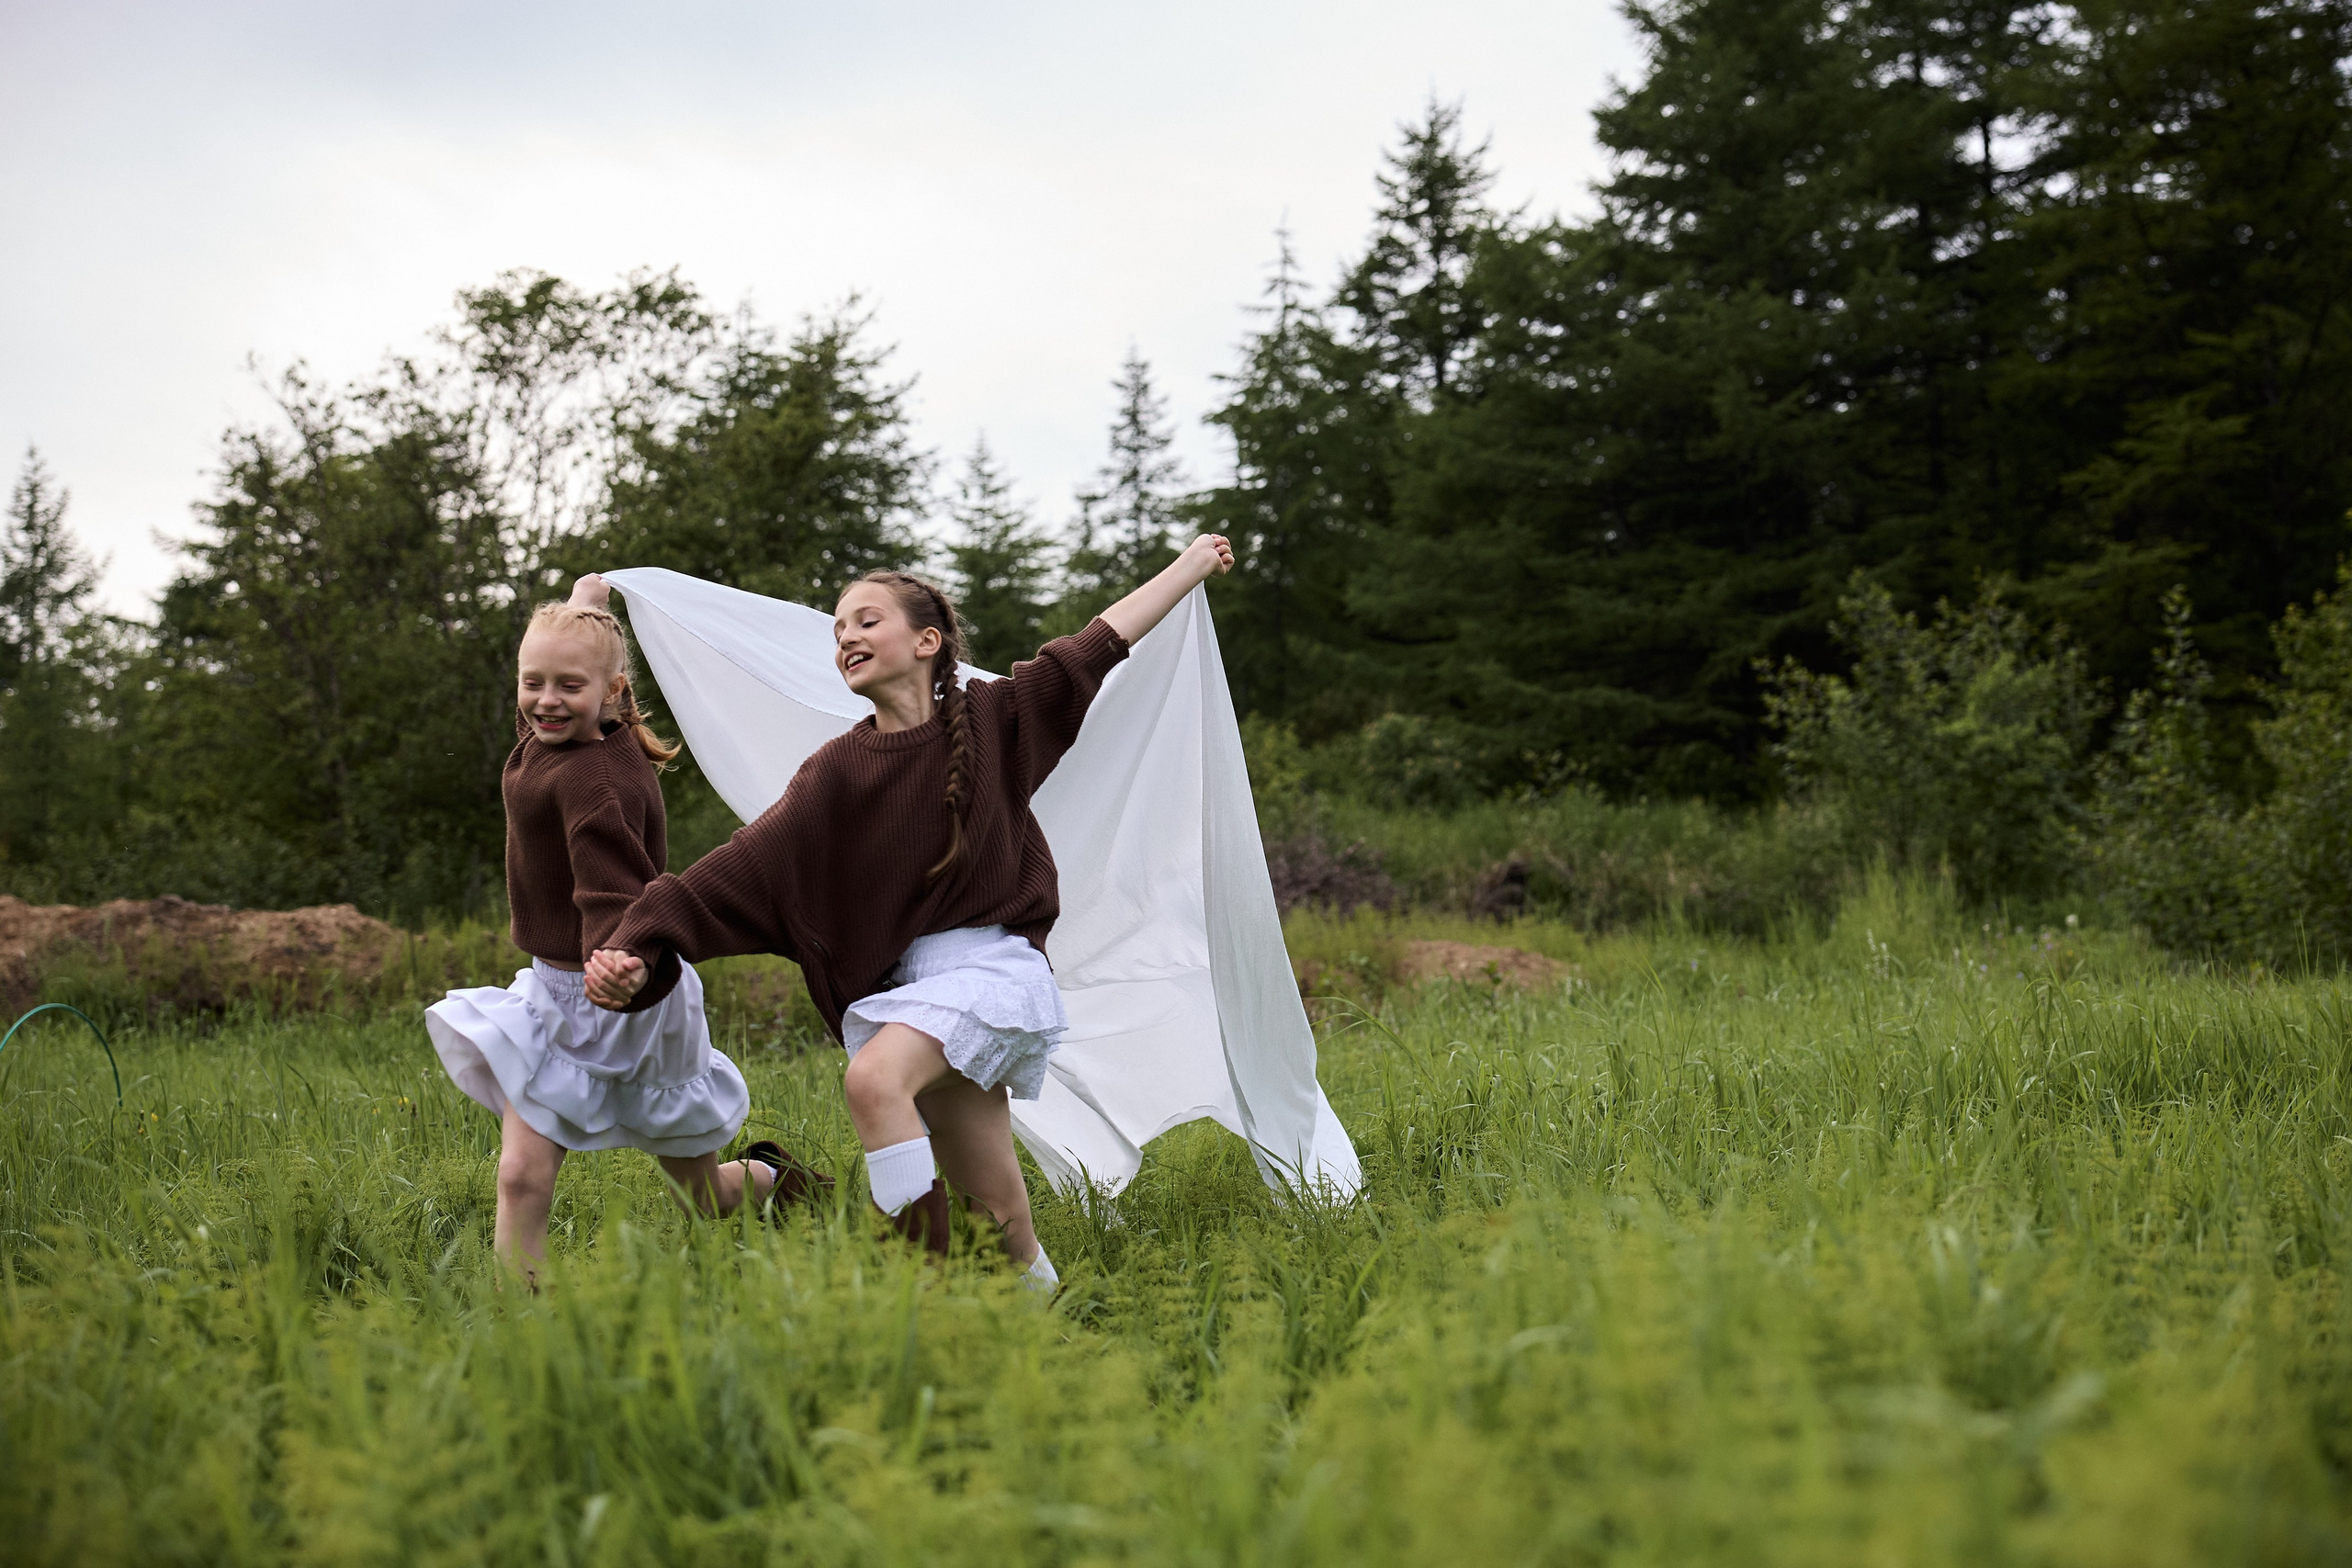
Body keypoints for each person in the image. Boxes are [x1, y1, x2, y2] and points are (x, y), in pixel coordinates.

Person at [582, 535, 1238, 1288]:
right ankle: (1050, 1323)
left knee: (873, 1080)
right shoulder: (837, 772)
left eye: (865, 621)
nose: (846, 637)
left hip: (994, 973)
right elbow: (740, 867)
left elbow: (1096, 644)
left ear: (927, 641)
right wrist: (639, 937)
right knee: (1001, 1221)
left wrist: (1188, 568)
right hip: (917, 992)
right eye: (837, 630)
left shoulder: (996, 718)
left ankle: (912, 1302)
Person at [425, 575, 827, 1289]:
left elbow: (617, 896)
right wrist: (589, 602)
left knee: (701, 1195)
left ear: (612, 693)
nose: (545, 700)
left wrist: (627, 964)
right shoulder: (560, 730)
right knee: (521, 1175)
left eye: (567, 686)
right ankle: (528, 1320)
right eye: (531, 681)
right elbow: (561, 680)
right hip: (555, 993)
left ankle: (775, 1181)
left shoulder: (596, 785)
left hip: (626, 988)